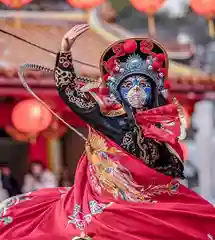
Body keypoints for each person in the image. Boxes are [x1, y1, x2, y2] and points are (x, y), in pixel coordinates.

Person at [0, 24, 215, 240]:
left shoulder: (162, 128)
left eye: (143, 85)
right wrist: (65, 52)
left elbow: (165, 176)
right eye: (129, 84)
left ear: (154, 90)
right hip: (102, 206)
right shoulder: (107, 117)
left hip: (148, 208)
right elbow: (69, 91)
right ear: (118, 90)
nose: (136, 90)